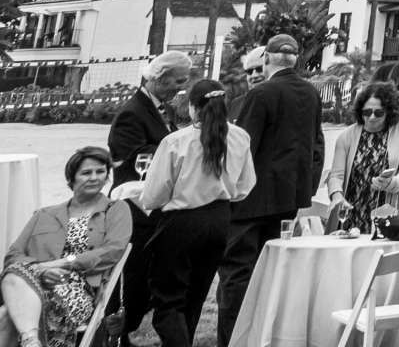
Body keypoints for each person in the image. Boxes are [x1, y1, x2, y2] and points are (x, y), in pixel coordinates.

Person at [134, 77, 255, 347]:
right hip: (219, 220)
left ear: (192, 107)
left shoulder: (176, 142)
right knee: (195, 297)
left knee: (167, 301)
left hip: (182, 222)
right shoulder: (240, 137)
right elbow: (245, 187)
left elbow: (154, 195)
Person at [219, 32, 322, 340]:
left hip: (251, 199)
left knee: (238, 273)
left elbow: (243, 147)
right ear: (296, 60)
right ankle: (267, 335)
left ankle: (233, 338)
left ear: (266, 60)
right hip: (288, 197)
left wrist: (228, 192)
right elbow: (316, 145)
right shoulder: (310, 93)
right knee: (273, 272)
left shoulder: (261, 93)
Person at [1, 147, 133, 347]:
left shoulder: (115, 209)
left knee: (7, 314)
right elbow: (13, 256)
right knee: (12, 284)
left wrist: (62, 263)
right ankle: (32, 341)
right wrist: (40, 272)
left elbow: (113, 250)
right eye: (86, 173)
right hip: (34, 284)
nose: (94, 178)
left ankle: (30, 340)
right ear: (72, 178)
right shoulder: (44, 214)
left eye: (101, 171)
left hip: (79, 289)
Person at [105, 50, 190, 339]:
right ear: (161, 78)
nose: (181, 87)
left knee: (151, 279)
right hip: (135, 211)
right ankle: (118, 332)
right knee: (134, 280)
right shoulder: (132, 112)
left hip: (157, 208)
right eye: (178, 81)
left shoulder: (161, 108)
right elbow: (128, 158)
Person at [323, 80, 399, 234]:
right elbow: (336, 175)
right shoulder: (346, 136)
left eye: (378, 112)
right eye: (367, 112)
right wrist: (337, 195)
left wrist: (392, 182)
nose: (372, 117)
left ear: (389, 111)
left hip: (386, 210)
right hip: (351, 210)